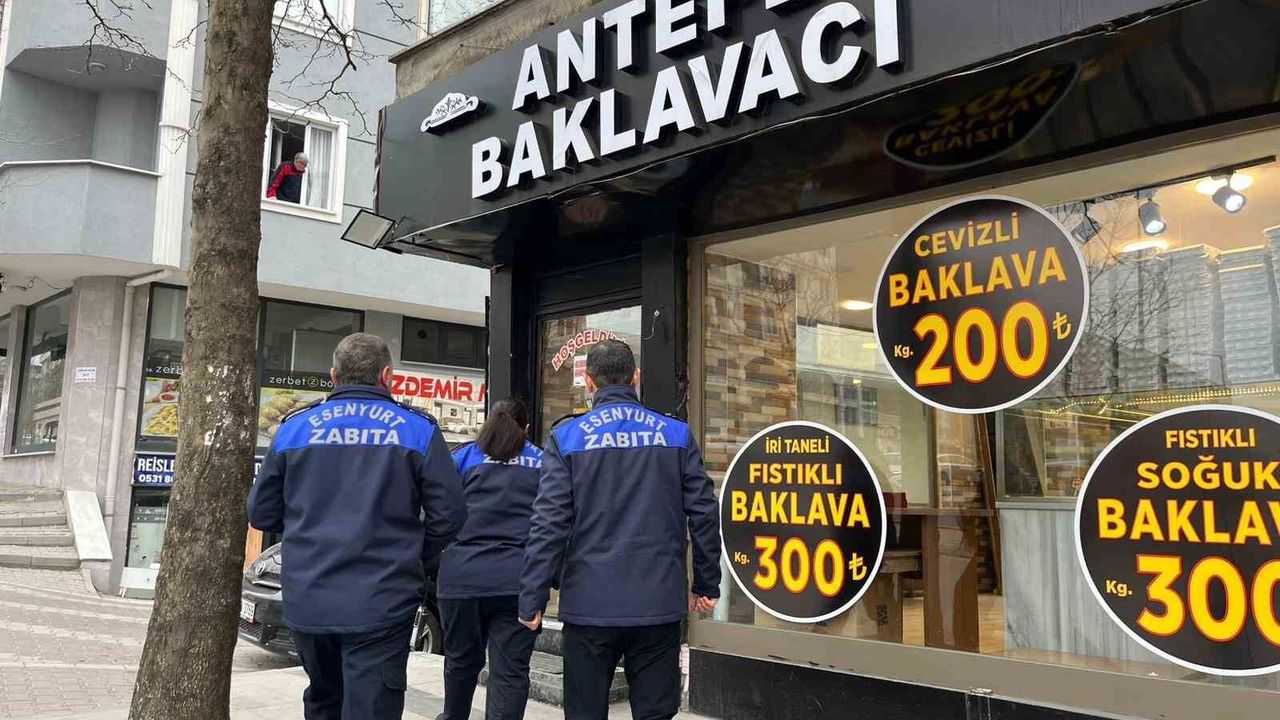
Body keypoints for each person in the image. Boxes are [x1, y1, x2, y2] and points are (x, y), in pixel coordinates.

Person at [248, 332, 463, 720]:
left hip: (310, 598)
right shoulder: (417, 429)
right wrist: (413, 555)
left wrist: (308, 530)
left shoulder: (295, 427)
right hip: (383, 599)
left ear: (333, 376)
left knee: (324, 701)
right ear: (387, 376)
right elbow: (449, 514)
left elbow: (261, 513)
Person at [519, 339, 722, 720]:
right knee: (656, 712)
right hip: (658, 601)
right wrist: (706, 583)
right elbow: (704, 512)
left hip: (589, 605)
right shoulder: (675, 434)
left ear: (589, 381)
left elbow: (548, 523)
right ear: (636, 378)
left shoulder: (567, 438)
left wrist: (533, 596)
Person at [436, 398, 543, 720]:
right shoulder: (542, 461)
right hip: (517, 582)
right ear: (526, 428)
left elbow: (438, 513)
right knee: (509, 672)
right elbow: (555, 522)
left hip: (461, 579)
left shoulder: (462, 457)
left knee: (459, 662)